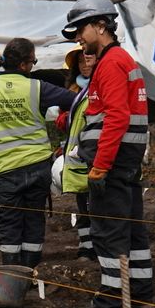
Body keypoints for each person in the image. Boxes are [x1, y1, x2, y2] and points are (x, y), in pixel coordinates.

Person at [61, 0, 153, 308]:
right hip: (125, 160)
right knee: (132, 228)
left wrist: (99, 165)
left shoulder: (111, 63)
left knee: (108, 232)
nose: (78, 38)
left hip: (112, 162)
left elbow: (115, 116)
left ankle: (109, 305)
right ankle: (140, 296)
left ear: (101, 26)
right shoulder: (122, 60)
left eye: (81, 30)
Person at [0, 38, 74, 268]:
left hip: (5, 170)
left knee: (9, 222)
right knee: (33, 219)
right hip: (38, 166)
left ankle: (11, 275)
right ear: (23, 65)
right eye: (33, 61)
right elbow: (74, 99)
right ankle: (29, 272)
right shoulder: (37, 87)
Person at [58, 47, 98, 261]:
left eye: (87, 60)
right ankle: (86, 246)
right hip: (77, 156)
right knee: (83, 202)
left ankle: (99, 247)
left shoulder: (101, 86)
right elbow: (67, 117)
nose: (84, 64)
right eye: (80, 62)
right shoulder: (73, 90)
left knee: (96, 204)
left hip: (96, 153)